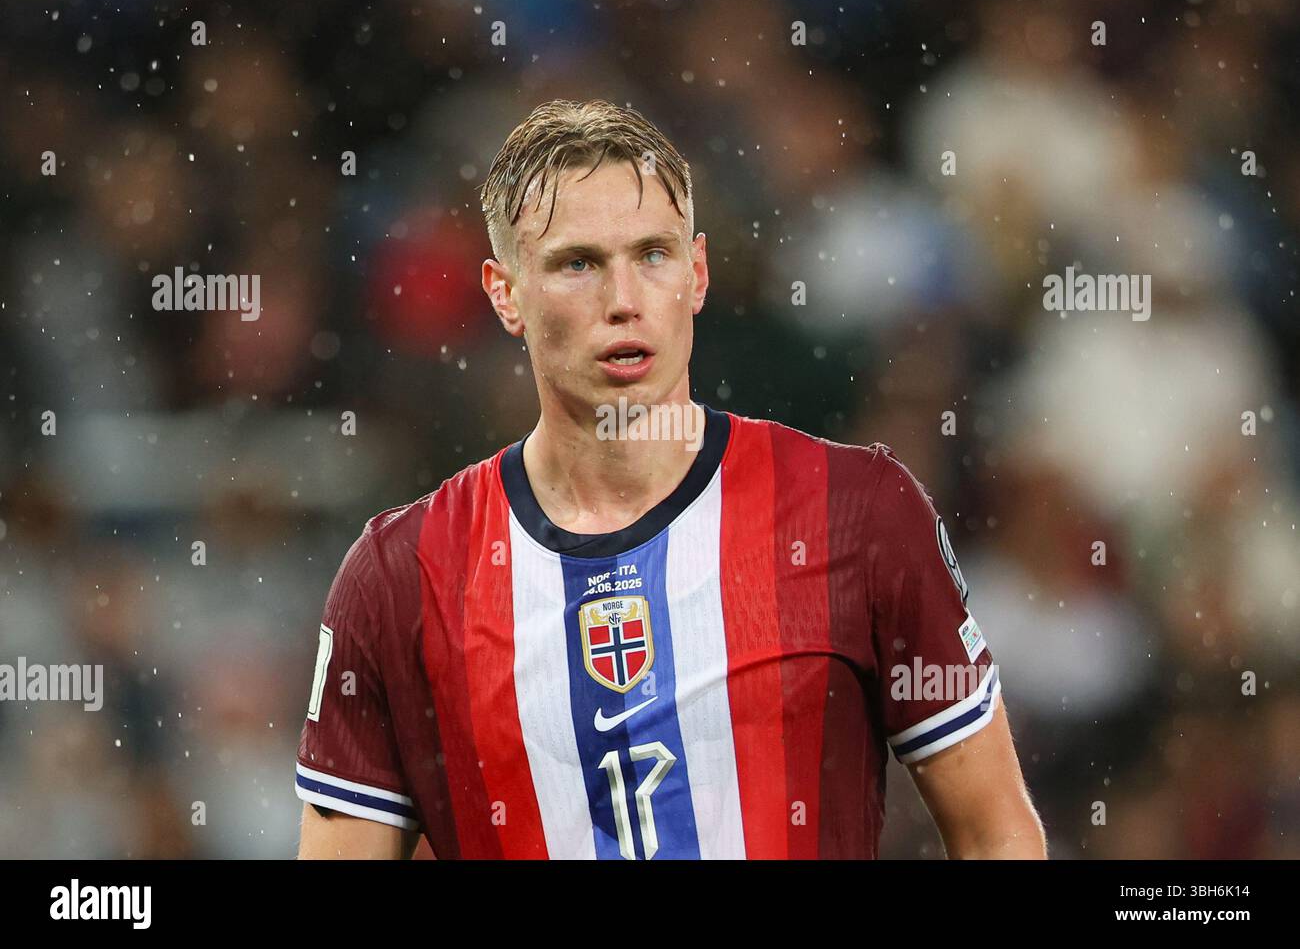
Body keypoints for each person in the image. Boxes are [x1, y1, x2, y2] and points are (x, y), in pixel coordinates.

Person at [295, 99, 1045, 859]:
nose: (624, 301)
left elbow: (995, 832)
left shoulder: (855, 512)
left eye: (652, 254)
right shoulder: (402, 576)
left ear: (697, 273)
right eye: (578, 263)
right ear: (505, 293)